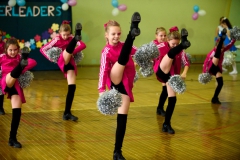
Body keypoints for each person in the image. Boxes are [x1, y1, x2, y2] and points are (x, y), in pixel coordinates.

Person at [98, 12, 141, 160]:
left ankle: (117, 152)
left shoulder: (124, 45)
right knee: (122, 58)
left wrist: (151, 57)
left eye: (118, 34)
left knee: (122, 119)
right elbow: (103, 70)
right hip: (115, 80)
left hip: (126, 84)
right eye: (113, 34)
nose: (116, 36)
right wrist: (101, 90)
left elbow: (139, 53)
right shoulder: (106, 51)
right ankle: (133, 30)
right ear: (107, 36)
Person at [40, 21, 86, 121]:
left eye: (68, 34)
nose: (65, 37)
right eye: (63, 34)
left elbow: (83, 45)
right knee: (66, 52)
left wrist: (73, 52)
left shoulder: (70, 38)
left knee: (72, 88)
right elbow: (43, 49)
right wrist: (52, 59)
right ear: (60, 33)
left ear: (70, 33)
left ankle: (67, 113)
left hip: (71, 63)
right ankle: (78, 33)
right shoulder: (56, 39)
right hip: (62, 60)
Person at [152, 27, 191, 134]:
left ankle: (166, 124)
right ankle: (184, 42)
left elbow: (186, 62)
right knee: (170, 54)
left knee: (172, 99)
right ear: (167, 41)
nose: (174, 45)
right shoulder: (161, 46)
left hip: (171, 77)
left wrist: (184, 73)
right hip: (161, 71)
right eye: (173, 43)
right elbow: (149, 51)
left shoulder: (180, 51)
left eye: (177, 44)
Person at [0, 38, 37, 148]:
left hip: (15, 85)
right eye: (10, 50)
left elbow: (34, 62)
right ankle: (20, 66)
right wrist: (22, 66)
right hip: (5, 81)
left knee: (17, 112)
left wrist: (23, 67)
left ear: (18, 50)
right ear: (6, 50)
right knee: (11, 75)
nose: (13, 52)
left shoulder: (18, 57)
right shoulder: (1, 57)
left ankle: (12, 138)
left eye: (15, 50)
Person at [203, 28, 236, 104]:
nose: (222, 49)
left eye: (222, 48)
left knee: (220, 83)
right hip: (212, 67)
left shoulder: (223, 49)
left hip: (217, 68)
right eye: (220, 47)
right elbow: (206, 61)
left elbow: (230, 45)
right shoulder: (213, 51)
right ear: (216, 46)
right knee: (217, 53)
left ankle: (214, 98)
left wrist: (234, 39)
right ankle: (222, 38)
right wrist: (204, 71)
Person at [0, 30, 5, 115]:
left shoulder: (4, 44)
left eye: (0, 35)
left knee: (0, 89)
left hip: (1, 68)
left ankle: (0, 107)